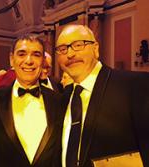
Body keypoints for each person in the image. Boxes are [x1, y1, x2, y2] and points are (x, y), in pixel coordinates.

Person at [56, 24, 149, 167]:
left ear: (95, 49)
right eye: (62, 49)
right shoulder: (64, 98)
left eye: (78, 45)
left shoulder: (136, 86)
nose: (70, 54)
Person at [0, 34, 62, 167]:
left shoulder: (59, 101)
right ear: (12, 60)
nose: (28, 61)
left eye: (36, 55)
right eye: (22, 54)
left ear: (43, 61)